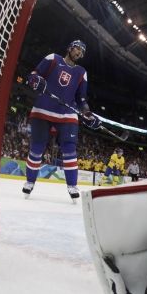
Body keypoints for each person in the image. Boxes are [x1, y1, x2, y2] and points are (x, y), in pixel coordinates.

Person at [22, 40, 101, 201]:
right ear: (70, 48)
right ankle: (30, 182)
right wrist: (35, 81)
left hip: (67, 114)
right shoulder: (53, 58)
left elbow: (82, 99)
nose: (79, 53)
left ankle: (72, 186)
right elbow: (34, 75)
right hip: (43, 110)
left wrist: (87, 113)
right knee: (37, 149)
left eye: (82, 52)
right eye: (78, 48)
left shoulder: (81, 72)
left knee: (70, 150)